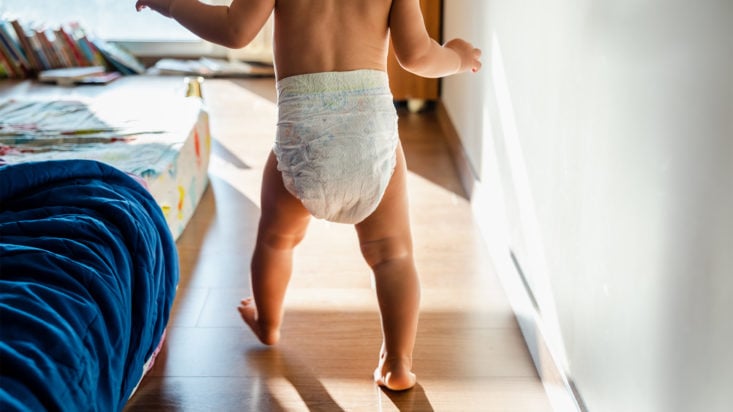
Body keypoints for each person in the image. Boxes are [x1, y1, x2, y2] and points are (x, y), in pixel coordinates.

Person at [135, 0, 481, 391]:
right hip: (370, 133)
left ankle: (268, 321)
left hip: (303, 135)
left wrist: (171, 5)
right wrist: (457, 56)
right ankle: (397, 361)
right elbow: (418, 55)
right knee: (392, 254)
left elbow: (235, 30)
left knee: (275, 239)